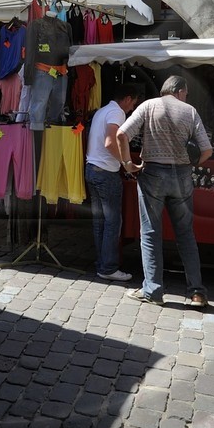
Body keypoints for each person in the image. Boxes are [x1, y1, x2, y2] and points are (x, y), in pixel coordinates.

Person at [111, 76, 212, 307]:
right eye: (185, 93)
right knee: (186, 234)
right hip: (182, 176)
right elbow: (206, 150)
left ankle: (153, 290)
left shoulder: (148, 106)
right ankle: (197, 292)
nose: (186, 97)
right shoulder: (190, 111)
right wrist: (190, 165)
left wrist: (127, 164)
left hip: (153, 173)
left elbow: (121, 135)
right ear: (180, 91)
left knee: (150, 233)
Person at [85, 84, 142, 282]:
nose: (132, 108)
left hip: (92, 169)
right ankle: (108, 267)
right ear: (127, 99)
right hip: (105, 173)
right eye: (133, 103)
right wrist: (126, 163)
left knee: (100, 221)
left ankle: (102, 263)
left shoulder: (102, 110)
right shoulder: (117, 113)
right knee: (112, 222)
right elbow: (110, 142)